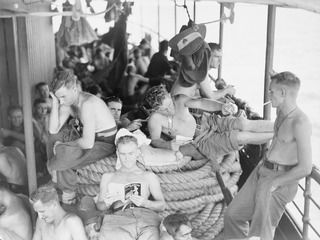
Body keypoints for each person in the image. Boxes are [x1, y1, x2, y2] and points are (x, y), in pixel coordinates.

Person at [224, 71, 313, 240]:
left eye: (271, 91)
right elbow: (278, 137)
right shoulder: (281, 112)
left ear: (283, 93)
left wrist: (275, 182)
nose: (268, 94)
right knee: (232, 215)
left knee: (260, 234)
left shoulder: (301, 122)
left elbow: (306, 168)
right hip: (262, 170)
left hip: (279, 178)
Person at [145, 85, 274, 160]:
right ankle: (278, 133)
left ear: (169, 95)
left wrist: (221, 107)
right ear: (155, 110)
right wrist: (168, 145)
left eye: (170, 104)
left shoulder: (179, 99)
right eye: (165, 109)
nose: (171, 109)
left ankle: (283, 124)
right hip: (200, 142)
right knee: (239, 137)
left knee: (243, 123)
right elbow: (155, 141)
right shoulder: (155, 120)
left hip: (207, 122)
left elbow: (202, 102)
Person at [47, 70, 117, 194]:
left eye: (63, 96)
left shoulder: (87, 104)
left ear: (74, 88)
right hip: (86, 137)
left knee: (64, 154)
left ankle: (68, 193)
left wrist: (63, 147)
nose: (61, 101)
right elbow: (53, 130)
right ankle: (57, 175)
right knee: (53, 139)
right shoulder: (67, 102)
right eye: (59, 98)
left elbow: (88, 143)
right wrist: (54, 102)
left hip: (104, 142)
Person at [97, 134, 165, 240]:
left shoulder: (148, 176)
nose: (127, 158)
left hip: (145, 217)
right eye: (123, 154)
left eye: (131, 153)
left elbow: (162, 205)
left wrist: (145, 203)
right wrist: (107, 203)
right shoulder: (108, 177)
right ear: (117, 153)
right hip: (118, 218)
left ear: (138, 153)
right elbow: (99, 206)